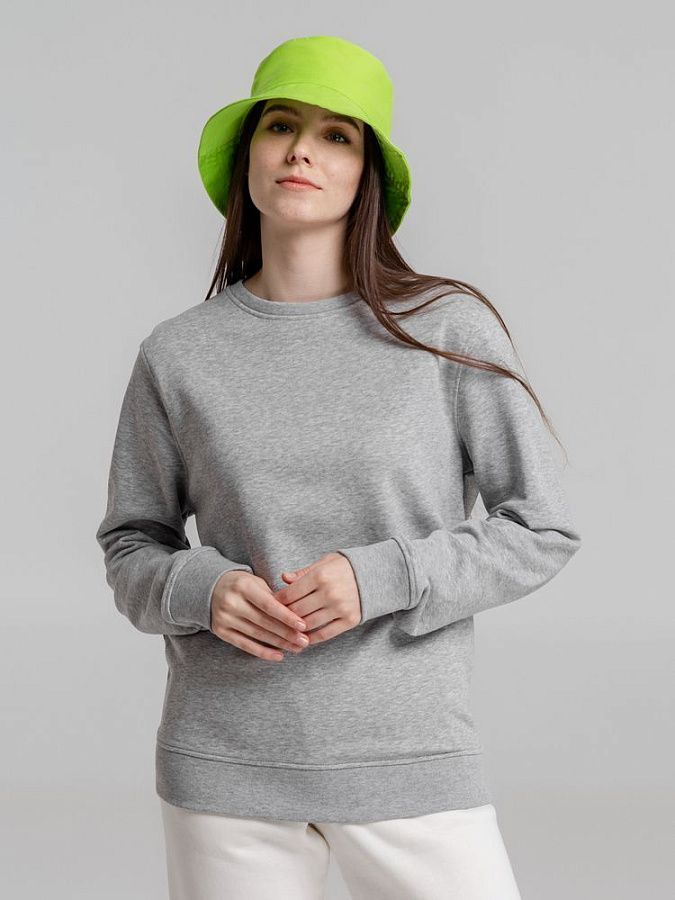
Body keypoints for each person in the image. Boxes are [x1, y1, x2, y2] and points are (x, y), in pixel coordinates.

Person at [95, 35, 582, 900]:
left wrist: (384, 575)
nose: (301, 152)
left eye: (335, 135)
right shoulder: (178, 354)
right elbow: (131, 545)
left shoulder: (444, 328)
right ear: (248, 154)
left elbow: (541, 528)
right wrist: (201, 587)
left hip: (408, 756)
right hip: (225, 765)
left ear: (367, 175)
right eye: (280, 125)